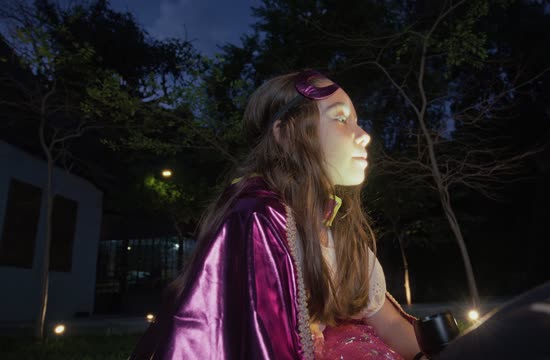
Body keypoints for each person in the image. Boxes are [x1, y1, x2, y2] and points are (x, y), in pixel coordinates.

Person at [129, 70, 424, 359]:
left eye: (357, 122)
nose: (364, 136)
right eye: (341, 118)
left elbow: (390, 324)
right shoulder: (256, 218)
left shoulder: (337, 231)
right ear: (286, 134)